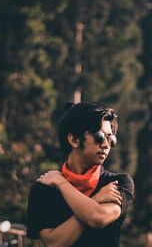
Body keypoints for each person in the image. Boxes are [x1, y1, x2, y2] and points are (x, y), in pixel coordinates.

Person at [27, 101, 134, 247]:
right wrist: (96, 200)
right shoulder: (43, 190)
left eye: (110, 139)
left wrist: (61, 183)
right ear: (74, 140)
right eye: (100, 137)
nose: (106, 145)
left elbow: (98, 217)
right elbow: (53, 244)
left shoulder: (117, 183)